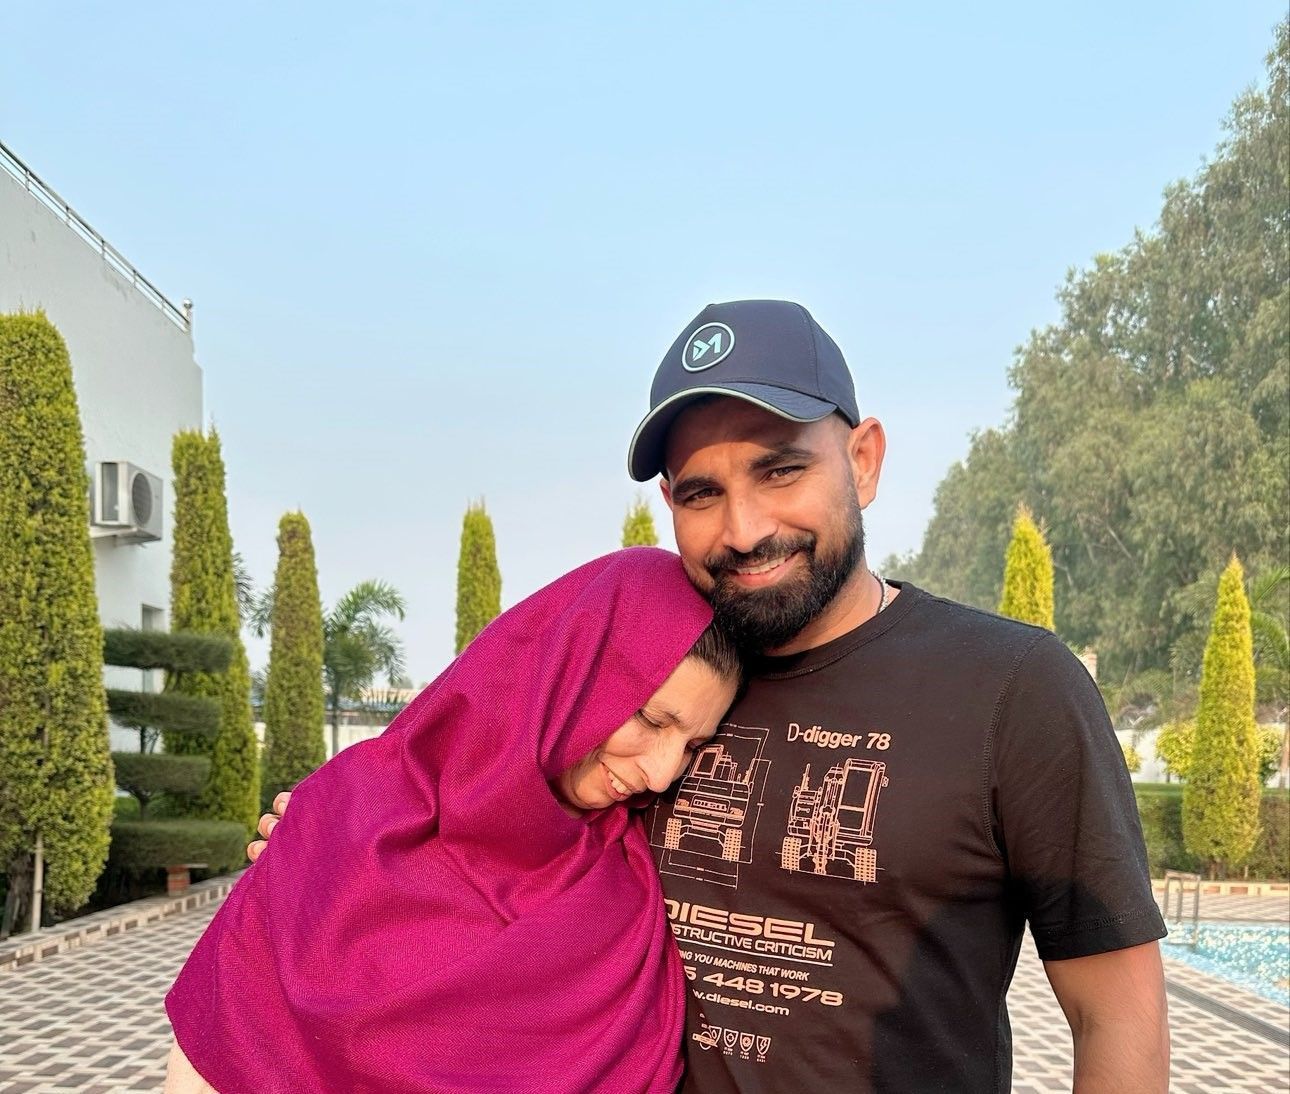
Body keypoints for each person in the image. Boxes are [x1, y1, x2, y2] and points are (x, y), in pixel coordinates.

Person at [259, 300, 1170, 1092]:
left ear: (864, 459)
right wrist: (335, 833)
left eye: (781, 469)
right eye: (702, 492)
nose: (743, 529)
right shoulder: (654, 679)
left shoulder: (1012, 689)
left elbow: (1115, 1018)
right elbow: (487, 818)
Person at [164, 547, 740, 1093]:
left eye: (693, 746)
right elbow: (231, 1030)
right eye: (650, 719)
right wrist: (313, 851)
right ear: (571, 676)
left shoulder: (626, 894)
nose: (664, 774)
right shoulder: (345, 816)